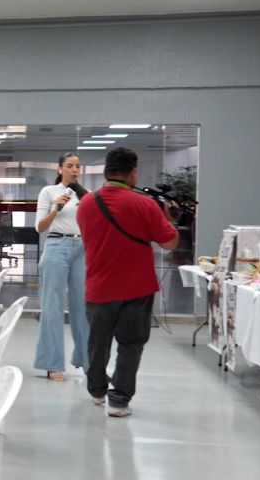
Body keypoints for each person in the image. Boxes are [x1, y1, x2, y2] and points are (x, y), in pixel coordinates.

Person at [77, 146, 179, 418]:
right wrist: (167, 218)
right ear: (133, 173)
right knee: (130, 345)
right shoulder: (145, 205)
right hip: (137, 288)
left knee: (97, 342)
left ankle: (97, 391)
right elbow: (169, 243)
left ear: (106, 171)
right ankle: (119, 401)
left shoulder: (86, 204)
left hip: (98, 287)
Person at [33, 153, 89, 381]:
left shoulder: (86, 195)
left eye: (77, 166)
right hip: (57, 246)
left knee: (83, 307)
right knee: (53, 306)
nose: (74, 170)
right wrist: (56, 208)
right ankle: (52, 364)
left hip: (82, 249)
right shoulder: (49, 192)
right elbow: (40, 227)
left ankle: (87, 361)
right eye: (69, 165)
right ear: (60, 169)